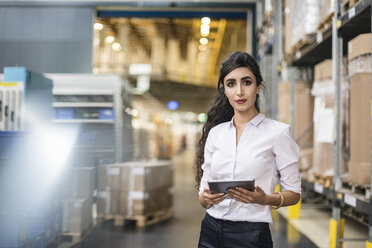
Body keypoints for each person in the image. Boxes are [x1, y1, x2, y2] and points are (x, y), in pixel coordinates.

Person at [195, 51, 301, 248]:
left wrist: (266, 199)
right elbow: (203, 196)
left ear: (258, 86)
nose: (239, 92)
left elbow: (294, 193)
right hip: (210, 230)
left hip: (251, 235)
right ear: (224, 90)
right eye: (231, 84)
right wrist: (206, 198)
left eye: (246, 82)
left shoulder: (278, 133)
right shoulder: (216, 134)